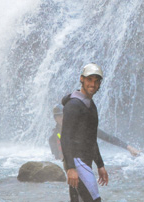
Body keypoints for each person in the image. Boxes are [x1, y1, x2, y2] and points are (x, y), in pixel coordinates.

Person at [61, 63, 109, 202]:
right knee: (94, 199)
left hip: (84, 163)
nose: (92, 84)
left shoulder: (90, 105)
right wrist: (71, 168)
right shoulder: (74, 105)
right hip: (77, 162)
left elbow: (91, 138)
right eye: (89, 80)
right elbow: (65, 137)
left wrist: (100, 165)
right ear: (82, 79)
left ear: (100, 84)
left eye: (96, 81)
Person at [50, 104, 141, 160]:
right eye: (59, 116)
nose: (62, 118)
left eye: (64, 115)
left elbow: (106, 137)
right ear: (55, 119)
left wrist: (128, 148)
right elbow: (57, 159)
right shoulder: (53, 138)